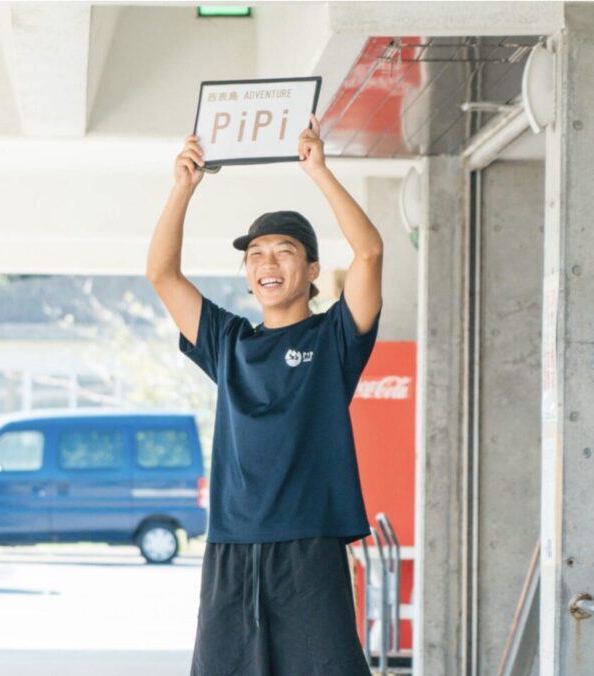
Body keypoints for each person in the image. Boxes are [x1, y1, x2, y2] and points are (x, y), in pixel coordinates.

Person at [145, 112, 383, 675]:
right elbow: (161, 274)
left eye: (283, 251)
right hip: (231, 544)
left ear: (312, 268)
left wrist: (319, 171)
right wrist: (183, 188)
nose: (267, 263)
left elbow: (370, 254)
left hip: (309, 545)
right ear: (248, 274)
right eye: (255, 255)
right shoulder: (227, 342)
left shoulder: (334, 340)